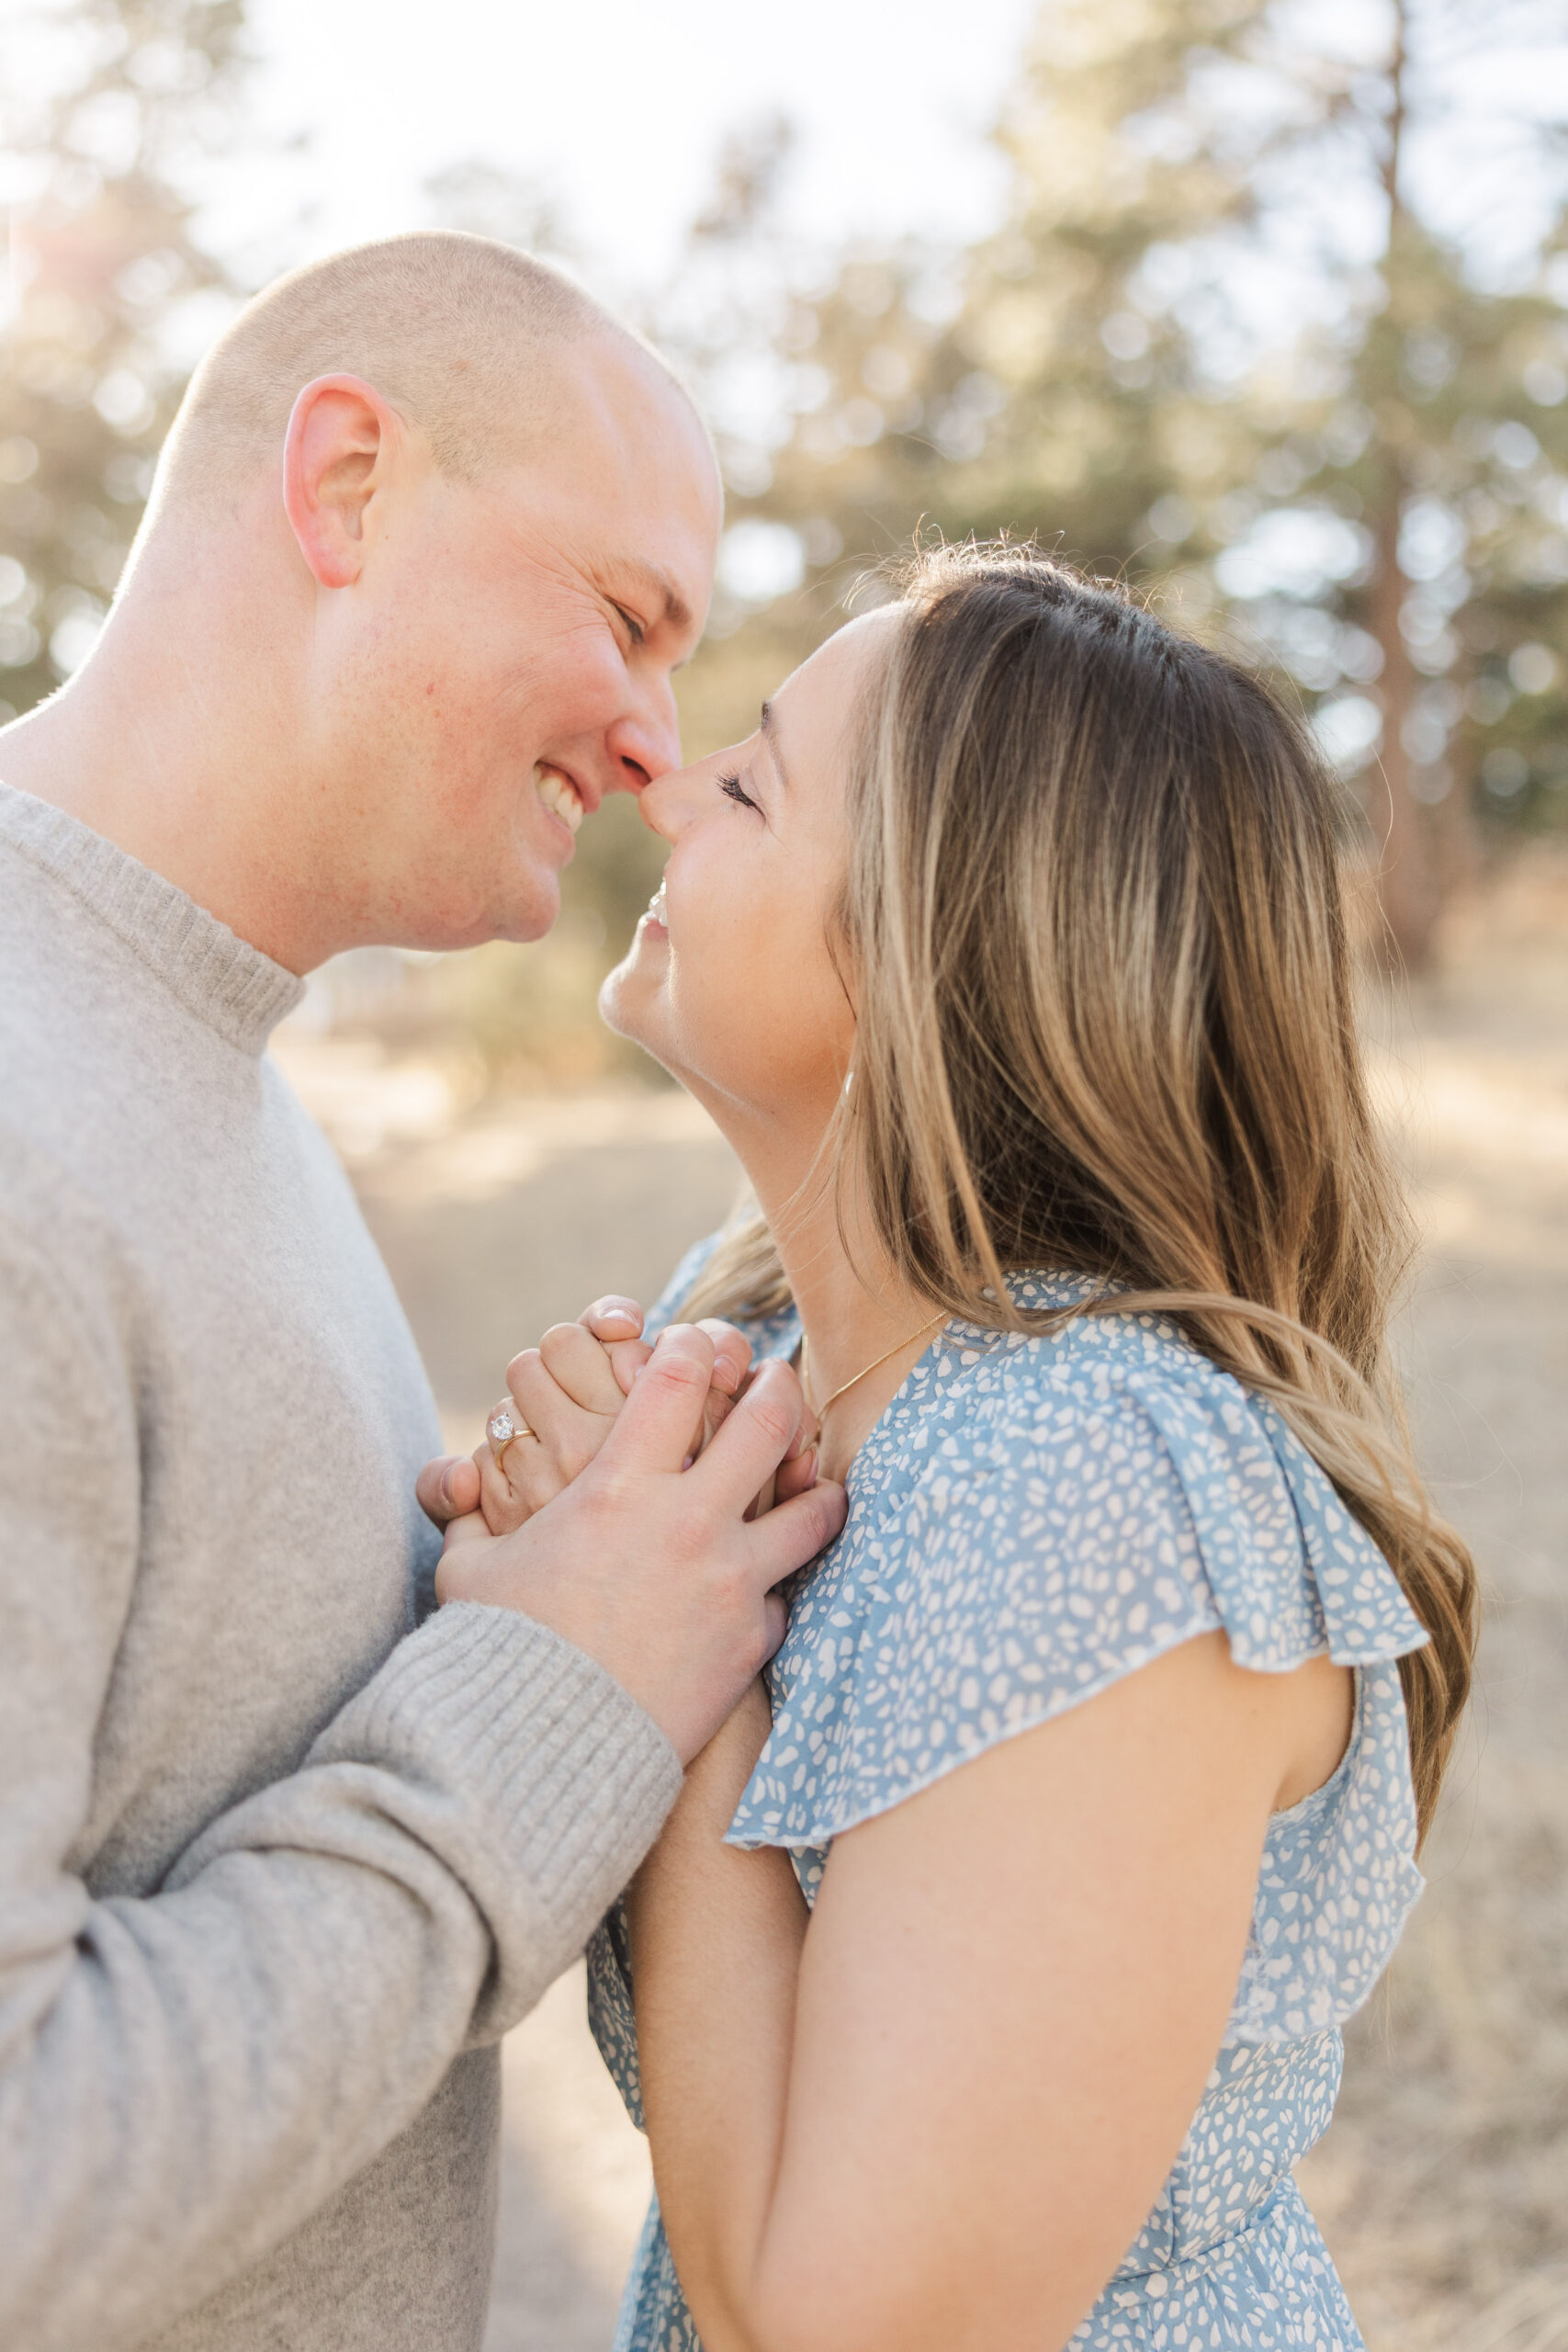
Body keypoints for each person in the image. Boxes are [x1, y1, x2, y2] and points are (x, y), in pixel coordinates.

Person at [434, 546, 1479, 2352]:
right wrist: (538, 1555)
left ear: (931, 946)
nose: (670, 789)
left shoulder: (1094, 1468)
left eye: (752, 781)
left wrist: (664, 1660)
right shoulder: (745, 1319)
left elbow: (854, 2326)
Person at [0, 232, 844, 2352]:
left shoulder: (195, 1067)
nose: (662, 744)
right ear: (347, 485)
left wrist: (528, 1578)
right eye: (627, 614)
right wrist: (553, 1693)